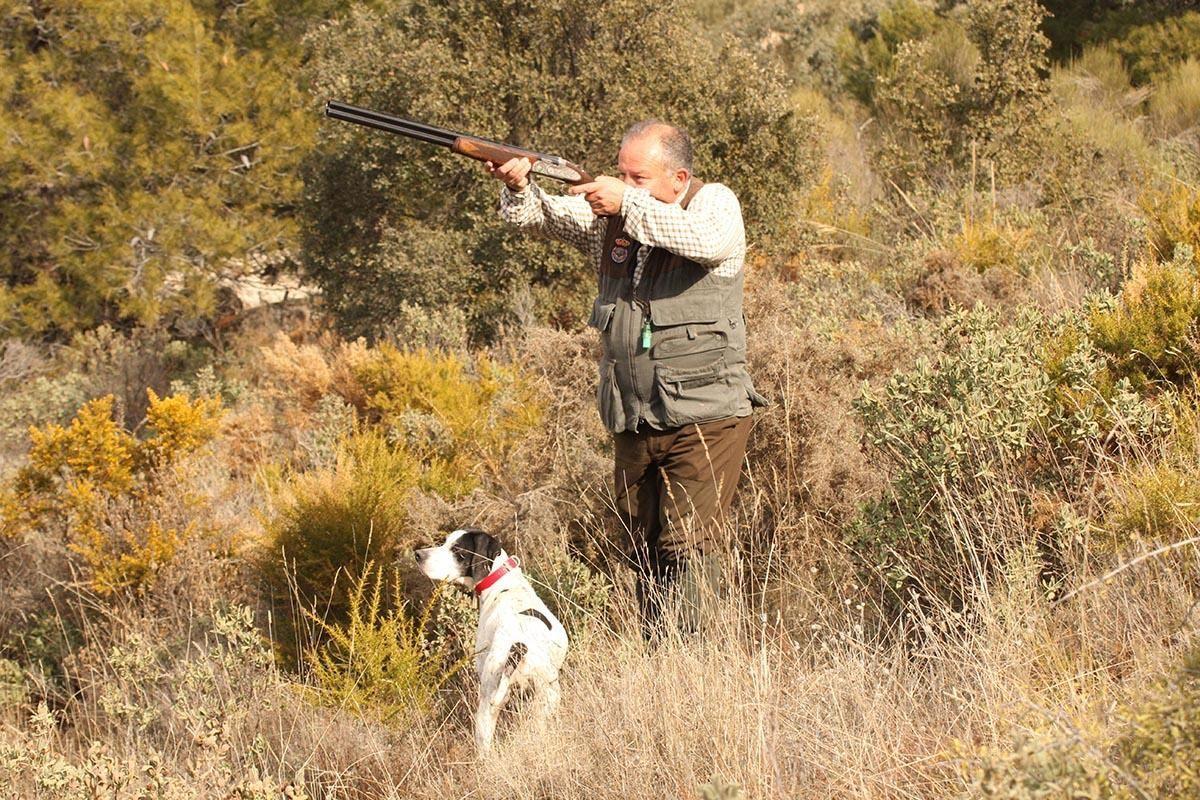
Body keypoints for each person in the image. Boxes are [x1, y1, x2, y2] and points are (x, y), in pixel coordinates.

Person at [486, 120, 766, 639]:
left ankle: (693, 669)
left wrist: (627, 201)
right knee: (644, 545)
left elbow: (704, 241)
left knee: (689, 546)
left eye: (638, 177)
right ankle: (662, 661)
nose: (624, 186)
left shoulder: (714, 204)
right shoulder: (612, 214)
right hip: (634, 412)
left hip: (705, 413)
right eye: (622, 175)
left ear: (679, 178)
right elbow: (544, 218)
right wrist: (519, 184)